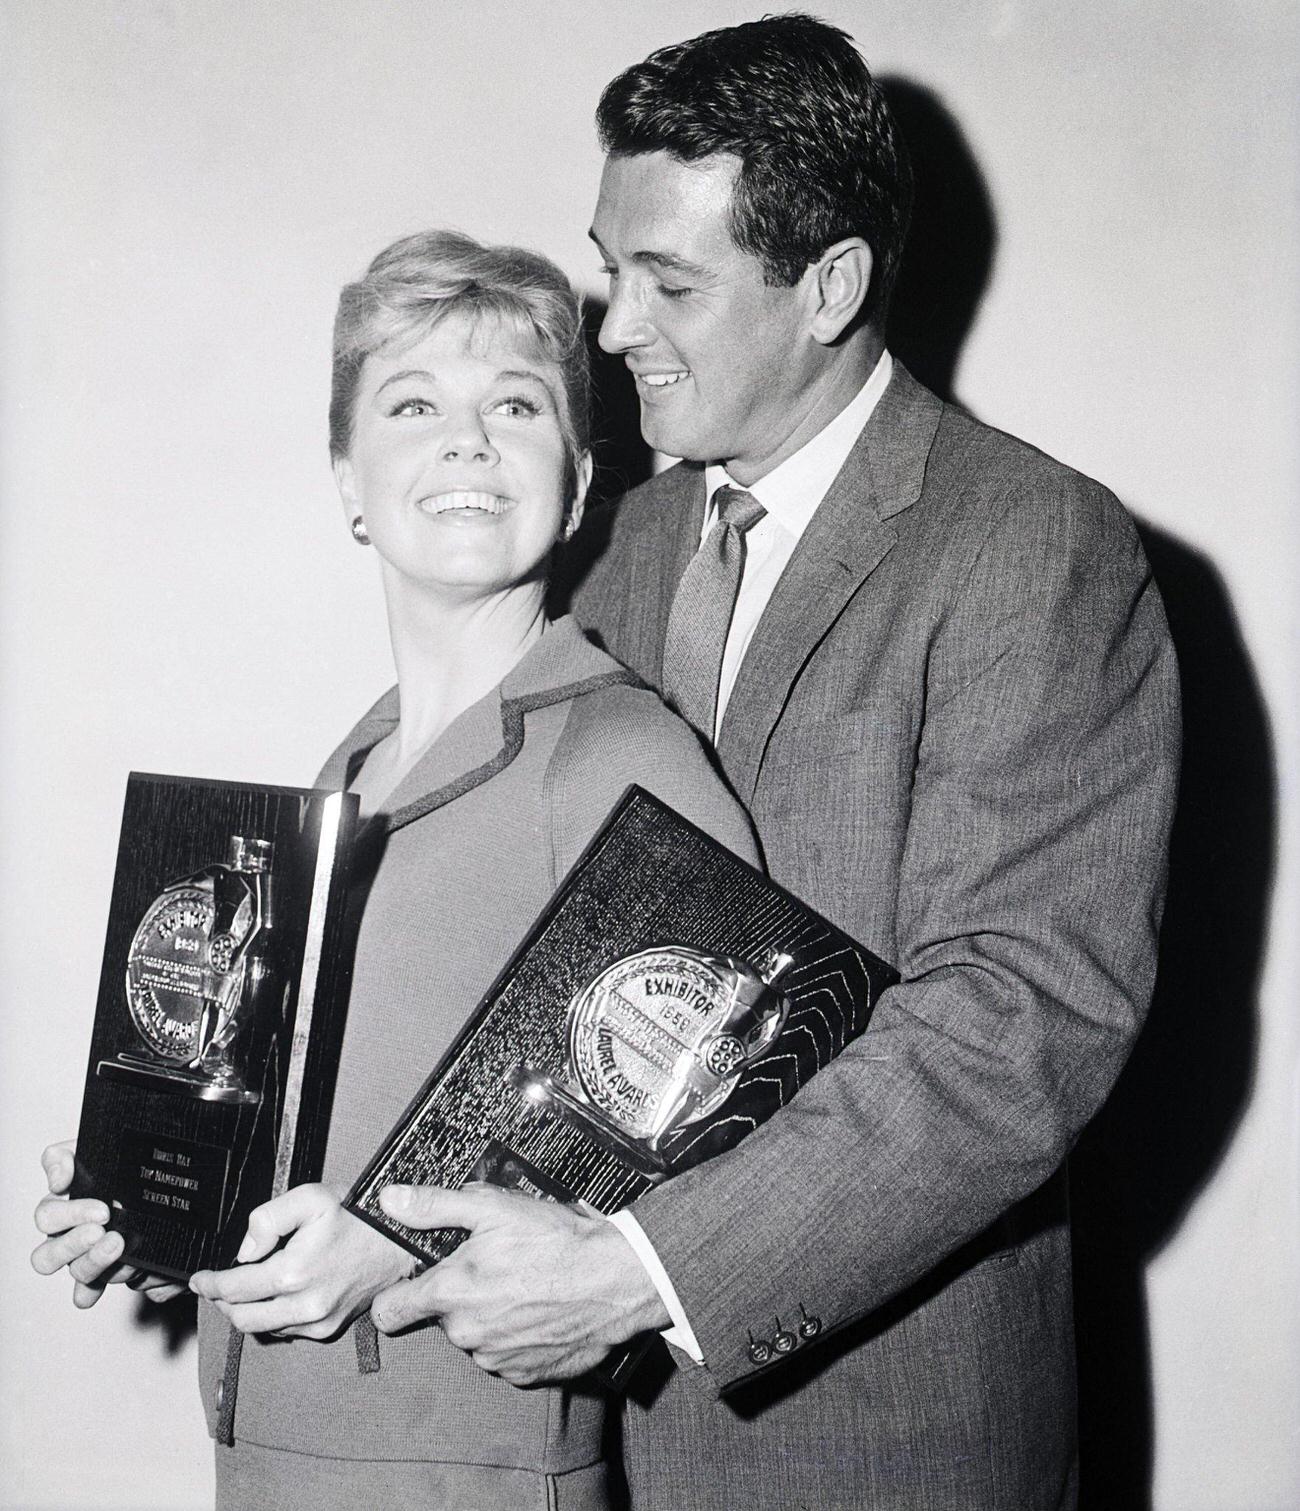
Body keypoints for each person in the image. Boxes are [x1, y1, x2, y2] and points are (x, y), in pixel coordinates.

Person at [366, 16, 1182, 1510]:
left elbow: (1020, 1018)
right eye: (612, 268)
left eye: (668, 282)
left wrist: (644, 1272)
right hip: (591, 1445)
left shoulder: (1035, 546)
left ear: (832, 287)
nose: (610, 329)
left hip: (882, 1440)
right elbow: (478, 909)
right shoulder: (622, 541)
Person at [31, 228, 757, 1510]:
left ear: (582, 481)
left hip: (462, 1468)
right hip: (271, 1452)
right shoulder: (346, 768)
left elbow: (723, 1135)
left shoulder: (617, 751)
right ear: (348, 479)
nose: (468, 440)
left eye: (516, 407)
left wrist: (392, 1245)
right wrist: (157, 1206)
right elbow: (317, 1134)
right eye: (414, 403)